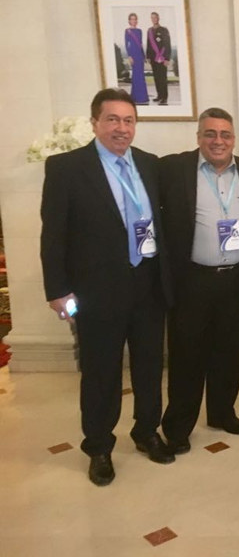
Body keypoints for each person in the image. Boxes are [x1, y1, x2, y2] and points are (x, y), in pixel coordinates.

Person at [40, 88, 174, 486]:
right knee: (101, 372)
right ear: (95, 122)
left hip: (147, 284)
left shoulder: (149, 164)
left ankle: (147, 431)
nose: (121, 128)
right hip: (97, 291)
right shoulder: (66, 168)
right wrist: (57, 290)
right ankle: (99, 446)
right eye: (112, 119)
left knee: (150, 365)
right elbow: (53, 235)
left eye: (128, 120)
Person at [158, 108, 239, 454]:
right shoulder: (174, 169)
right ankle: (178, 427)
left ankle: (222, 413)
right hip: (192, 281)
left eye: (225, 134)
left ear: (234, 139)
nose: (218, 141)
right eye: (210, 133)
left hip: (236, 279)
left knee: (229, 351)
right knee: (186, 355)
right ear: (198, 136)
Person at [146, 12, 171, 106]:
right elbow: (148, 44)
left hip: (162, 57)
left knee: (163, 78)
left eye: (155, 17)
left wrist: (167, 58)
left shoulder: (164, 30)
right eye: (152, 18)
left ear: (158, 18)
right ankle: (159, 95)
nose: (154, 19)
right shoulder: (149, 30)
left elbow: (167, 44)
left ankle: (164, 97)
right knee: (156, 78)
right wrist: (148, 56)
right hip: (153, 58)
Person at [125, 13, 149, 105]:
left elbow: (141, 44)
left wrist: (144, 56)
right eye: (132, 19)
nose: (134, 21)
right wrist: (129, 56)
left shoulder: (139, 31)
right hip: (133, 55)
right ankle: (135, 96)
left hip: (140, 55)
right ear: (129, 21)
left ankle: (142, 97)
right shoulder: (127, 31)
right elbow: (127, 44)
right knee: (135, 76)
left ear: (137, 20)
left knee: (141, 76)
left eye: (135, 19)